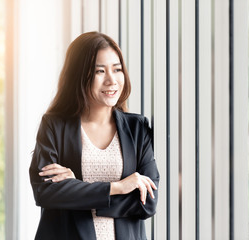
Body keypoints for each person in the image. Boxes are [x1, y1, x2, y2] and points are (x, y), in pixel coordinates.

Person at [29, 31, 159, 240]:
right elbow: (46, 192)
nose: (111, 80)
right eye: (100, 71)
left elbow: (147, 203)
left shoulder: (137, 128)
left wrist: (77, 190)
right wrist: (118, 187)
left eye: (117, 70)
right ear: (79, 75)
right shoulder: (54, 126)